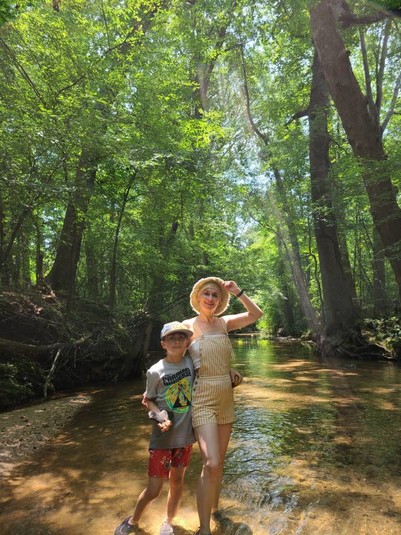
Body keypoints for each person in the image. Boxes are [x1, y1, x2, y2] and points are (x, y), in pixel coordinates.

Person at [182, 277, 263, 535]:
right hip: (202, 397)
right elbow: (176, 360)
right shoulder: (187, 326)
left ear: (220, 301)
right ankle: (204, 529)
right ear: (198, 297)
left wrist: (238, 291)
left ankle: (215, 510)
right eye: (206, 294)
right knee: (211, 462)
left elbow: (256, 314)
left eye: (215, 295)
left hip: (226, 396)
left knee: (220, 463)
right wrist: (156, 388)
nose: (210, 299)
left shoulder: (224, 323)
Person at [114, 321, 196, 535]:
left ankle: (168, 521)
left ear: (187, 342)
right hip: (162, 439)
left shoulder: (192, 364)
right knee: (154, 490)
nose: (176, 341)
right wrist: (160, 416)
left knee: (177, 481)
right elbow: (149, 400)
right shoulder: (155, 371)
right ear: (163, 344)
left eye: (181, 337)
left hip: (185, 437)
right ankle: (133, 520)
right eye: (171, 338)